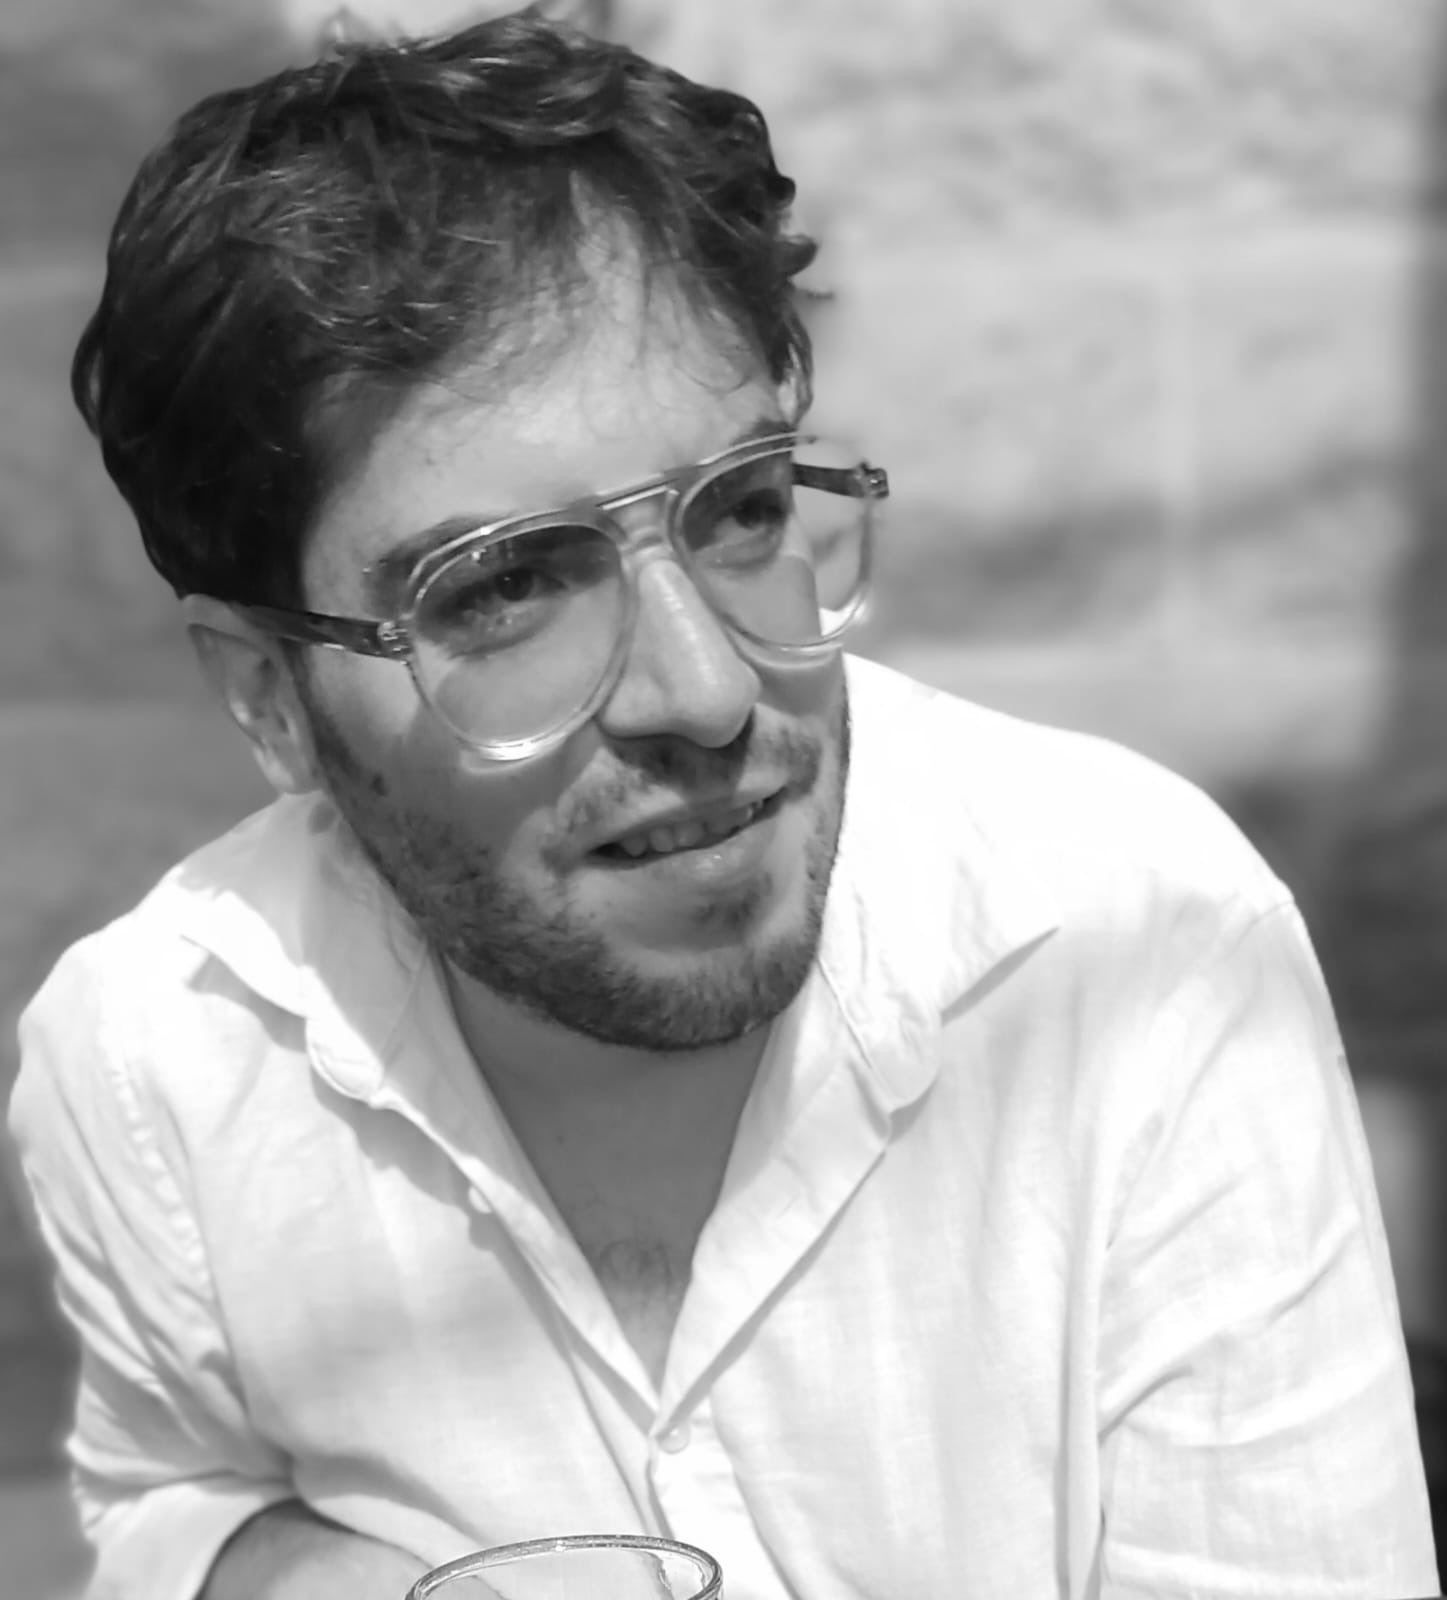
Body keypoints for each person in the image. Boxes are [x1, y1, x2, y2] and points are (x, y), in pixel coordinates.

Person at [6, 13, 1439, 1600]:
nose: (703, 690)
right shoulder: (151, 1062)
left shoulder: (1137, 950)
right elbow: (170, 1500)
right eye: (502, 588)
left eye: (741, 510)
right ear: (270, 699)